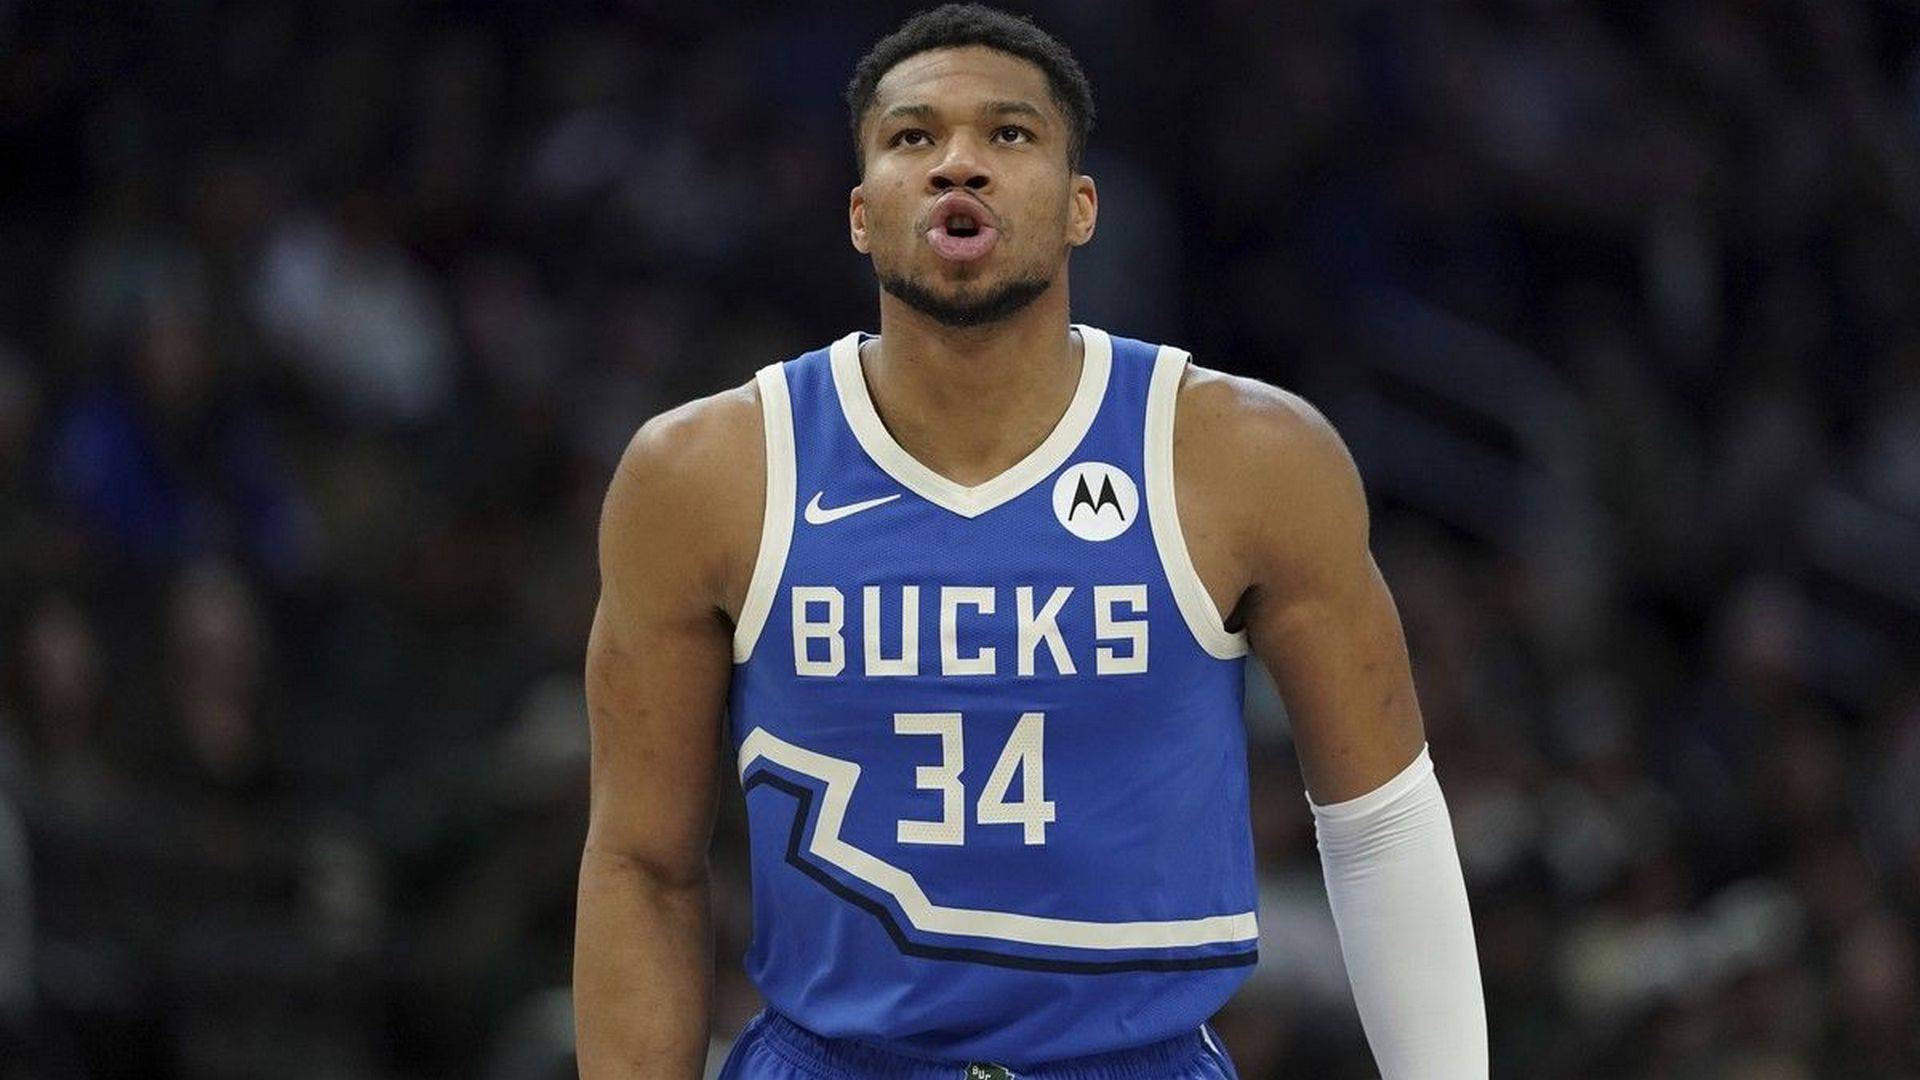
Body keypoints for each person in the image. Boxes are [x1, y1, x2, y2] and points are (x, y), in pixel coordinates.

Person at [574, 5, 1488, 1078]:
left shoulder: (1248, 457)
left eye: (1009, 134)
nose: (958, 163)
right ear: (862, 213)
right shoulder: (705, 475)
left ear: (1080, 207)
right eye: (913, 137)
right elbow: (643, 865)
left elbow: (1379, 824)